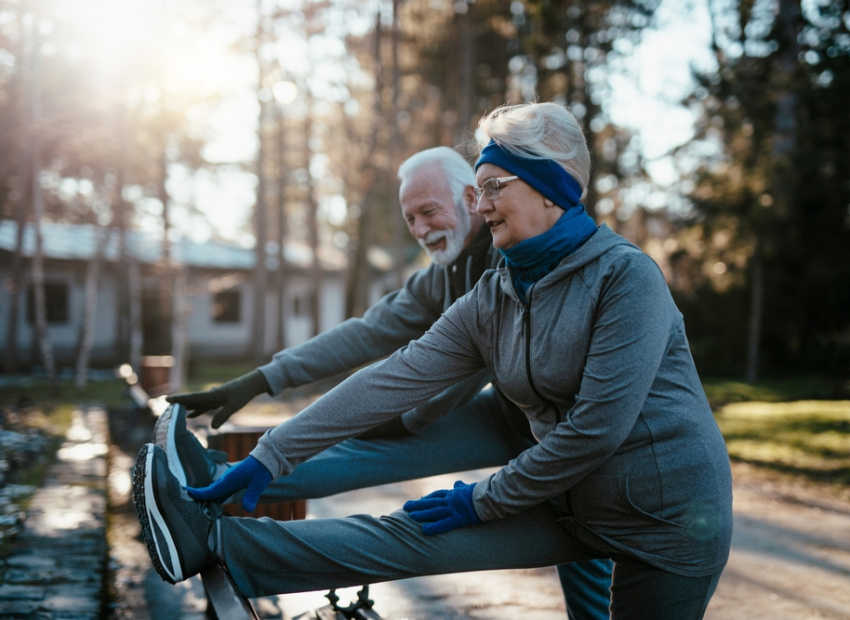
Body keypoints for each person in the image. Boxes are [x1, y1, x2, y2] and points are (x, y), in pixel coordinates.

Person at [135, 102, 733, 619]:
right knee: (411, 532)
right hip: (568, 498)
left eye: (496, 186)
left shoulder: (626, 279)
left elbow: (596, 430)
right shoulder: (496, 291)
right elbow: (394, 375)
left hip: (666, 519)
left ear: (550, 188)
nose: (484, 202)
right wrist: (269, 455)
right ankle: (214, 541)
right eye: (480, 188)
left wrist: (480, 499)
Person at [160, 145, 613, 619]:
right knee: (368, 445)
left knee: (584, 563)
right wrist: (262, 379)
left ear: (468, 197)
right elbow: (367, 331)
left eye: (428, 212)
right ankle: (209, 486)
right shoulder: (443, 273)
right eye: (410, 218)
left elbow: (455, 374)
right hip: (510, 412)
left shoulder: (511, 260)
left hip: (570, 440)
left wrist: (405, 417)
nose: (420, 231)